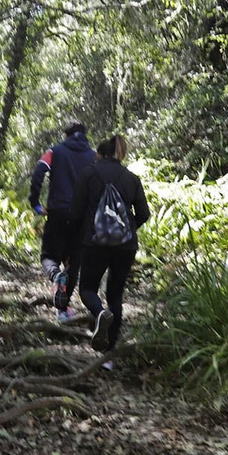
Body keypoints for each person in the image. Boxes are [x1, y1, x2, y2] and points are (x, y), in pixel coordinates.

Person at [74, 134, 150, 352]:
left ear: (100, 153)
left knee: (88, 288)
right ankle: (109, 352)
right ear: (119, 153)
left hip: (94, 243)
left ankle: (99, 313)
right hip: (125, 247)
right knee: (115, 294)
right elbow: (143, 213)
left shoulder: (88, 173)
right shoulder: (132, 178)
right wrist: (125, 231)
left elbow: (76, 212)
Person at [29, 122, 94, 320]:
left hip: (57, 211)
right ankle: (63, 311)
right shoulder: (94, 156)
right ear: (84, 136)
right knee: (74, 262)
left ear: (67, 136)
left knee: (49, 257)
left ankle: (56, 276)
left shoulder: (54, 151)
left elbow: (39, 171)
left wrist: (35, 202)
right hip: (81, 215)